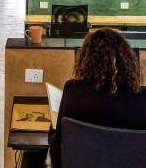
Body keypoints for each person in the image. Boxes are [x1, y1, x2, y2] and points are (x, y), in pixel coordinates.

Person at [48, 28, 146, 168]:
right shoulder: (143, 99)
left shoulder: (73, 91)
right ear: (128, 61)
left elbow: (58, 151)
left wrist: (51, 131)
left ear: (85, 60)